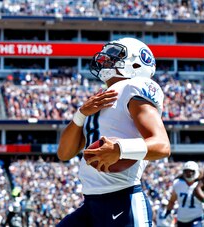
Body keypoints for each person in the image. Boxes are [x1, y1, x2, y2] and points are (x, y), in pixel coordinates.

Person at [57, 37, 171, 226]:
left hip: (122, 200)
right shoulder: (99, 99)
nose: (106, 59)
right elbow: (64, 153)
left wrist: (119, 149)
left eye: (115, 55)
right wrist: (80, 114)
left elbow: (162, 145)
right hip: (91, 203)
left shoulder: (134, 87)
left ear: (136, 63)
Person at [165, 161, 204, 227]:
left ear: (196, 172)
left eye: (191, 171)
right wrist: (168, 212)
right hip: (181, 219)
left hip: (196, 218)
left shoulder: (201, 185)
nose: (189, 173)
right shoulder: (178, 183)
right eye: (186, 171)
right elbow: (172, 201)